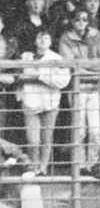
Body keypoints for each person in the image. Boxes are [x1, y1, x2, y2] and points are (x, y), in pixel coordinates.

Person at [58, 9, 100, 174]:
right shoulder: (65, 38)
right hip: (77, 89)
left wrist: (84, 66)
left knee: (95, 131)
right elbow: (70, 65)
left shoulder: (97, 35)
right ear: (72, 21)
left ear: (88, 21)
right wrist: (93, 68)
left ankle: (92, 164)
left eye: (84, 19)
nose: (81, 22)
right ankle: (80, 165)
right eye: (77, 19)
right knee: (79, 129)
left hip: (95, 88)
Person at [17, 30, 69, 176]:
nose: (42, 41)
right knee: (33, 140)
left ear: (51, 41)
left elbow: (63, 81)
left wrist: (41, 76)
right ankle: (33, 167)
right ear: (35, 41)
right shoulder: (25, 57)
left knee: (46, 138)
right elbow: (20, 76)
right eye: (39, 38)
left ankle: (43, 167)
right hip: (31, 103)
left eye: (46, 38)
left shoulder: (57, 58)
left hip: (50, 103)